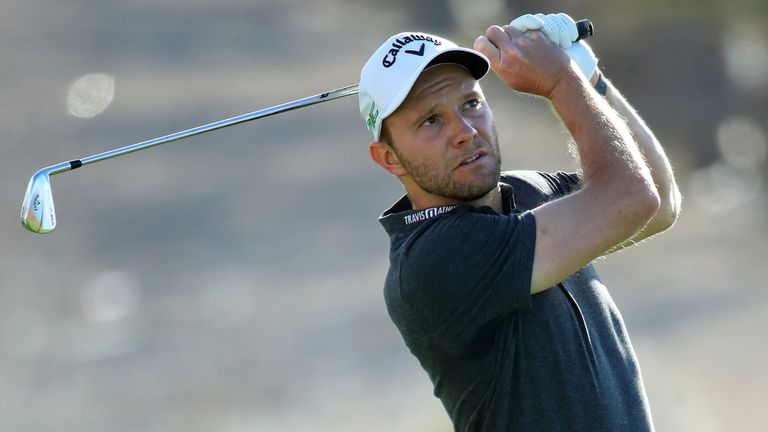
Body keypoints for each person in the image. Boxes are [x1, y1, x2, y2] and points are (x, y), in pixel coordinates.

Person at [358, 12, 681, 432]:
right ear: (389, 157)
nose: (465, 131)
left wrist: (590, 78)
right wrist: (560, 83)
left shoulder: (527, 191)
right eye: (431, 121)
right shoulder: (432, 259)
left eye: (471, 103)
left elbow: (657, 200)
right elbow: (631, 197)